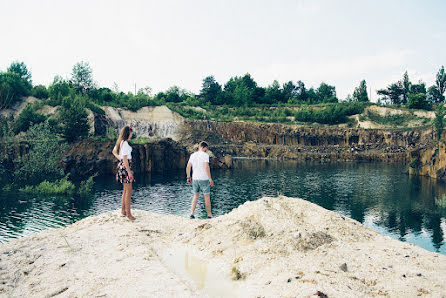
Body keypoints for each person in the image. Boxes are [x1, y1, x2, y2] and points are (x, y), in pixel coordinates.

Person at [112, 126, 136, 221]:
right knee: (129, 191)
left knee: (125, 190)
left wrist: (120, 160)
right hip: (126, 166)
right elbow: (125, 159)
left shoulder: (120, 142)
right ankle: (128, 214)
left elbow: (114, 152)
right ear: (128, 133)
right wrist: (129, 172)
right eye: (131, 133)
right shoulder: (125, 143)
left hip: (122, 166)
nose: (131, 135)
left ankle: (123, 210)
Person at [186, 141, 214, 219]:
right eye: (205, 149)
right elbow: (206, 167)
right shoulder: (205, 155)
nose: (206, 150)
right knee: (207, 196)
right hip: (204, 179)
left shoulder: (192, 155)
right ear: (203, 147)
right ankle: (209, 215)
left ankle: (192, 214)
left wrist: (188, 177)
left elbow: (188, 166)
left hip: (195, 178)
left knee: (195, 196)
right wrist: (210, 178)